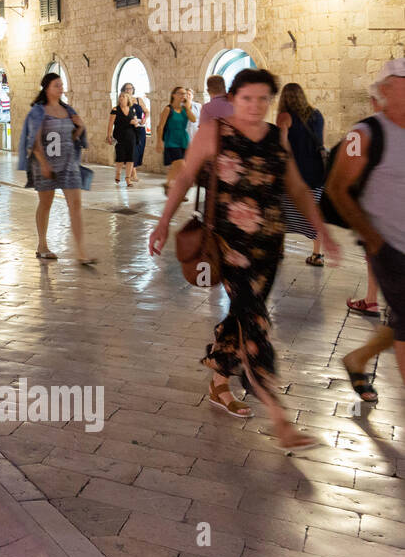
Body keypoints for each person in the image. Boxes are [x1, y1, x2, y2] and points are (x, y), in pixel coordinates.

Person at [149, 68, 337, 451]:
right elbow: (184, 179)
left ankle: (219, 381)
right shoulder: (214, 132)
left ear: (271, 101)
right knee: (255, 321)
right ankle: (279, 416)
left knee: (242, 315)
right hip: (228, 246)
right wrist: (163, 221)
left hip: (270, 246)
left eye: (263, 99)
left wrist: (322, 229)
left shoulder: (274, 138)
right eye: (247, 98)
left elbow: (297, 188)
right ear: (233, 98)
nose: (255, 106)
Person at [326, 60, 405, 404]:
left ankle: (358, 359)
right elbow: (337, 187)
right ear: (386, 89)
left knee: (402, 318)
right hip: (388, 246)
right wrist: (372, 239)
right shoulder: (364, 134)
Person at [18, 72, 93, 263]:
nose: (60, 88)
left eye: (61, 85)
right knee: (46, 204)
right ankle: (42, 245)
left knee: (75, 205)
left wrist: (80, 128)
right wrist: (43, 163)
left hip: (69, 164)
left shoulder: (68, 110)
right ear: (47, 88)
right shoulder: (38, 111)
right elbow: (34, 141)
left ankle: (82, 253)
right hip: (47, 164)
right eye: (56, 85)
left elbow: (71, 138)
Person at [276, 82, 328, 266]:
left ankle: (279, 248)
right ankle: (317, 254)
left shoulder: (284, 117)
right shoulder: (317, 115)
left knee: (282, 211)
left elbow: (282, 145)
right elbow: (320, 141)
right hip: (315, 173)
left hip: (293, 174)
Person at [107, 88, 140, 184]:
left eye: (123, 96)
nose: (121, 98)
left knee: (130, 158)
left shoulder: (132, 109)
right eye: (120, 96)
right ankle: (118, 173)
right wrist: (108, 136)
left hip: (131, 136)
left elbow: (136, 122)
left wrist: (135, 123)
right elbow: (110, 124)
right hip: (119, 136)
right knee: (120, 157)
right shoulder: (115, 109)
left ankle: (128, 179)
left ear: (127, 98)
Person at [128, 85, 149, 182]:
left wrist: (144, 119)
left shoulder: (138, 99)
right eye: (127, 88)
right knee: (133, 150)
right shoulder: (124, 101)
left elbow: (146, 111)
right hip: (130, 129)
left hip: (140, 128)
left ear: (133, 90)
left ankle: (133, 171)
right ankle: (133, 173)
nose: (129, 90)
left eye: (130, 88)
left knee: (140, 149)